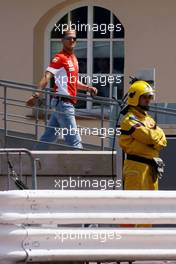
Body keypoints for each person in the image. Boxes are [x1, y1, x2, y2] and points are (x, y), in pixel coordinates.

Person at [26, 28, 97, 149]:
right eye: (69, 38)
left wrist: (88, 88)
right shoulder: (59, 58)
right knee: (74, 141)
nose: (72, 40)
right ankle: (80, 167)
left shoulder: (73, 58)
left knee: (48, 138)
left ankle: (32, 161)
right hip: (64, 104)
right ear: (62, 40)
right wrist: (36, 95)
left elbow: (73, 82)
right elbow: (47, 76)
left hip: (64, 103)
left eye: (74, 38)